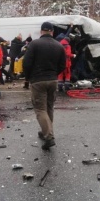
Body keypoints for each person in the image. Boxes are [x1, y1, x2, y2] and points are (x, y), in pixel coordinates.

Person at [23, 22, 66, 150]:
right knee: (49, 107)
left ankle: (48, 136)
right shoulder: (59, 46)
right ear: (52, 32)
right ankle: (46, 131)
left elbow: (26, 63)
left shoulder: (34, 44)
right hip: (53, 80)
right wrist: (54, 74)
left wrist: (28, 77)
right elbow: (63, 65)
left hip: (37, 80)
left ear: (41, 31)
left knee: (40, 109)